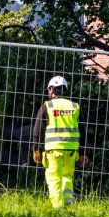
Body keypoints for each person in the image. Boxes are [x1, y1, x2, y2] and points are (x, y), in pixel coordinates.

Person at [32, 76, 88, 208]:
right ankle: (68, 202)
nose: (48, 93)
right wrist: (83, 153)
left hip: (53, 150)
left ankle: (58, 209)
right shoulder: (75, 107)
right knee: (67, 176)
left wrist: (36, 149)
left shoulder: (48, 106)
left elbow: (37, 130)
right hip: (71, 150)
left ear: (52, 89)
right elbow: (83, 131)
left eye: (48, 90)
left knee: (54, 179)